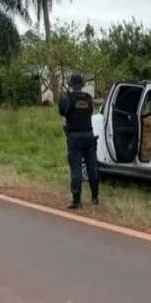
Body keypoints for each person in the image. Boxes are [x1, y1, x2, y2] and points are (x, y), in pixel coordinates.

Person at [58, 73, 99, 209]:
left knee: (76, 168)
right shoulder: (88, 98)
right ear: (81, 85)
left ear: (71, 85)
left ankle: (76, 200)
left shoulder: (68, 98)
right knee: (91, 167)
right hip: (89, 135)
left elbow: (62, 112)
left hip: (75, 137)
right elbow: (90, 112)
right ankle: (94, 197)